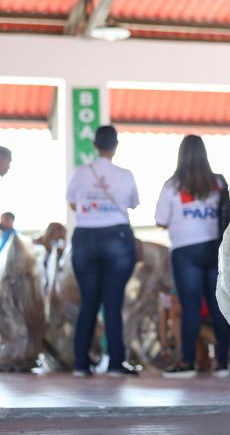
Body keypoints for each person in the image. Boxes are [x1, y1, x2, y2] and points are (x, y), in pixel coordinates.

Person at [156, 135, 230, 378]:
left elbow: (161, 220)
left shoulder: (172, 185)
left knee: (189, 308)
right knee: (218, 307)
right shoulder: (218, 183)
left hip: (185, 250)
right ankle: (222, 363)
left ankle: (187, 363)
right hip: (215, 249)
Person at [67, 126, 139, 377]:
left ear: (95, 145)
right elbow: (132, 203)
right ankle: (116, 364)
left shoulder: (80, 173)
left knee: (88, 302)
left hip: (84, 237)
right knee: (113, 301)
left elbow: (73, 203)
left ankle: (80, 364)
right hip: (116, 237)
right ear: (115, 146)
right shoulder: (125, 174)